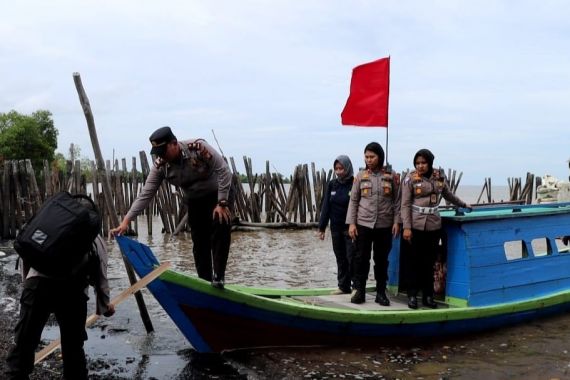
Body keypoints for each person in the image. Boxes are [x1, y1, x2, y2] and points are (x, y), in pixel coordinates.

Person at [110, 126, 233, 289]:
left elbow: (224, 171)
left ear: (174, 143)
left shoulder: (197, 147)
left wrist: (222, 202)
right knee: (199, 240)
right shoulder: (161, 166)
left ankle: (218, 278)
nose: (161, 156)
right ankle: (205, 282)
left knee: (220, 225)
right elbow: (146, 194)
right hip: (195, 198)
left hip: (219, 192)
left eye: (163, 151)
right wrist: (125, 221)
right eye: (158, 153)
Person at [5, 234, 114, 380]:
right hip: (72, 291)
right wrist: (104, 306)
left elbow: (27, 252)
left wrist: (28, 285)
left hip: (36, 284)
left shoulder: (46, 222)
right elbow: (101, 272)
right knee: (73, 350)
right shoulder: (92, 233)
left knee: (24, 345)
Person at [401, 148, 470, 309]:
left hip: (433, 225)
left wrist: (463, 204)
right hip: (415, 225)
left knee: (429, 262)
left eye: (423, 163)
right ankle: (412, 296)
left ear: (430, 163)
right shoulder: (409, 179)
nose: (420, 166)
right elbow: (404, 205)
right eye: (417, 163)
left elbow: (448, 195)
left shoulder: (439, 177)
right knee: (414, 262)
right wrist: (407, 227)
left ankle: (428, 296)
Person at [346, 142, 401, 305]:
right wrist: (351, 223)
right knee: (361, 259)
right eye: (366, 157)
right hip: (363, 224)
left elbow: (397, 201)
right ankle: (359, 292)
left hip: (384, 225)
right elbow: (354, 200)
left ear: (380, 157)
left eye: (372, 157)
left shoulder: (391, 176)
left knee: (382, 260)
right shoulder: (361, 176)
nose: (369, 160)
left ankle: (381, 293)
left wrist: (397, 222)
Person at [317, 155, 356, 295]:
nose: (339, 171)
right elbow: (326, 206)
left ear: (348, 168)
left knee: (352, 258)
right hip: (335, 228)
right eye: (336, 169)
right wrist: (322, 228)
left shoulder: (355, 183)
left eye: (341, 168)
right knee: (340, 257)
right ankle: (343, 286)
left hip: (350, 228)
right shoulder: (332, 184)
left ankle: (356, 286)